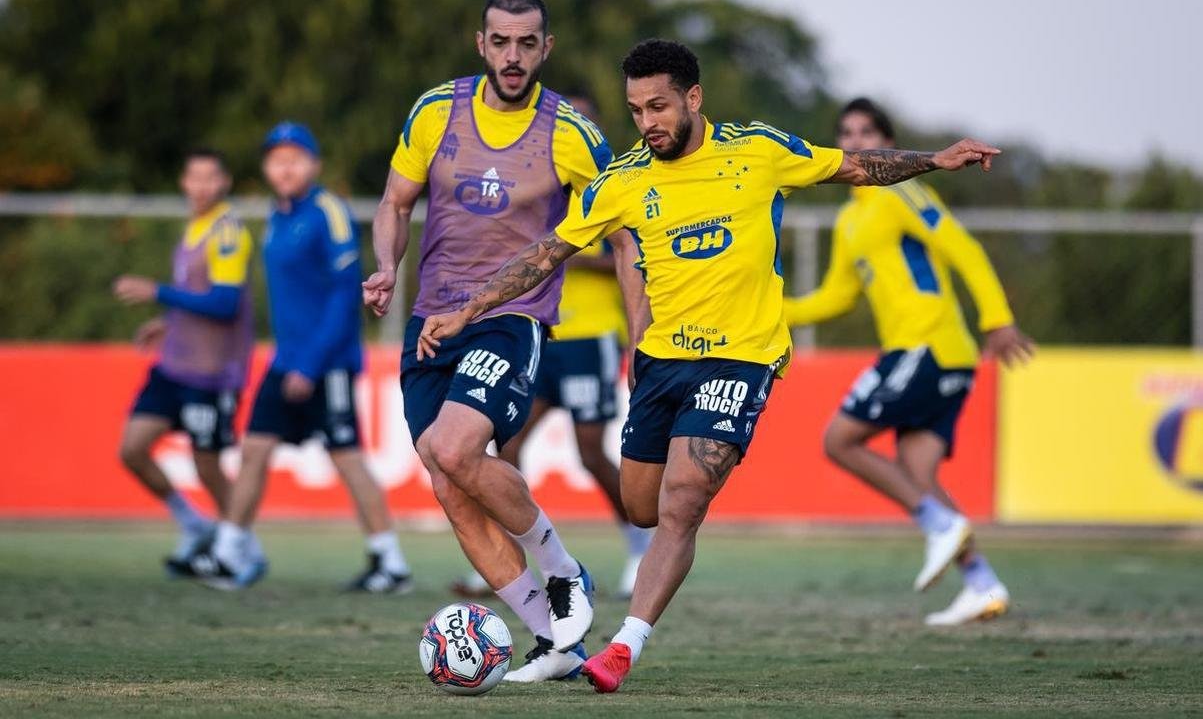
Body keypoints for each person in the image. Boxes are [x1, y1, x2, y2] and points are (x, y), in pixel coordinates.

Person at [414, 39, 1002, 693]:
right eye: (636, 110)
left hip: (741, 358)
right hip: (661, 362)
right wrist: (468, 308)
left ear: (693, 98)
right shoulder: (625, 179)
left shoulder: (757, 150)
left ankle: (623, 648)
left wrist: (936, 160)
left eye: (659, 106)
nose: (648, 122)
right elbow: (546, 253)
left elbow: (858, 166)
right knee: (641, 507)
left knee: (684, 497)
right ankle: (575, 579)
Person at [362, 0, 637, 682]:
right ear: (479, 43)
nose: (512, 56)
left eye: (526, 43)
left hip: (513, 320)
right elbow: (395, 201)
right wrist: (383, 268)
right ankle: (556, 642)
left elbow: (625, 233)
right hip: (432, 319)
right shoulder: (435, 110)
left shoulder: (571, 132)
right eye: (500, 41)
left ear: (546, 49)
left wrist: (643, 334)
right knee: (445, 477)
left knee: (455, 447)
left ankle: (564, 569)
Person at [784, 98, 1033, 625]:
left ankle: (937, 526)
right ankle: (981, 583)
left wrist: (997, 318)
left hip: (927, 345)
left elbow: (961, 247)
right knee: (920, 473)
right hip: (932, 354)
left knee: (839, 440)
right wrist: (772, 309)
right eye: (846, 133)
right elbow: (836, 296)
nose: (855, 142)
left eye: (867, 132)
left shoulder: (900, 191)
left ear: (889, 143)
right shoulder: (852, 219)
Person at [194, 122, 412, 593]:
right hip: (285, 359)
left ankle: (389, 563)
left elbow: (341, 297)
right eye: (276, 159)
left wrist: (310, 365)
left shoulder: (327, 212)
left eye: (295, 157)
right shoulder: (278, 215)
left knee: (348, 457)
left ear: (313, 164)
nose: (285, 166)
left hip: (324, 361)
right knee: (253, 449)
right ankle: (231, 553)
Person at [451, 89, 650, 601]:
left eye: (584, 122)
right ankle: (506, 560)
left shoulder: (607, 190)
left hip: (589, 339)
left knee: (589, 453)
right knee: (507, 446)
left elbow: (631, 256)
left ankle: (638, 544)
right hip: (541, 335)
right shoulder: (536, 191)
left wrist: (568, 257)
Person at [113, 148, 253, 575]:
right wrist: (166, 321)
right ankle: (195, 525)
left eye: (210, 178)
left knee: (207, 465)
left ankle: (244, 551)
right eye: (194, 177)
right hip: (175, 364)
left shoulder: (228, 231)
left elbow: (225, 303)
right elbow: (196, 295)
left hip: (212, 372)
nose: (201, 186)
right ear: (183, 182)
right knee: (132, 449)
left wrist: (158, 293)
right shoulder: (195, 227)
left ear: (224, 182)